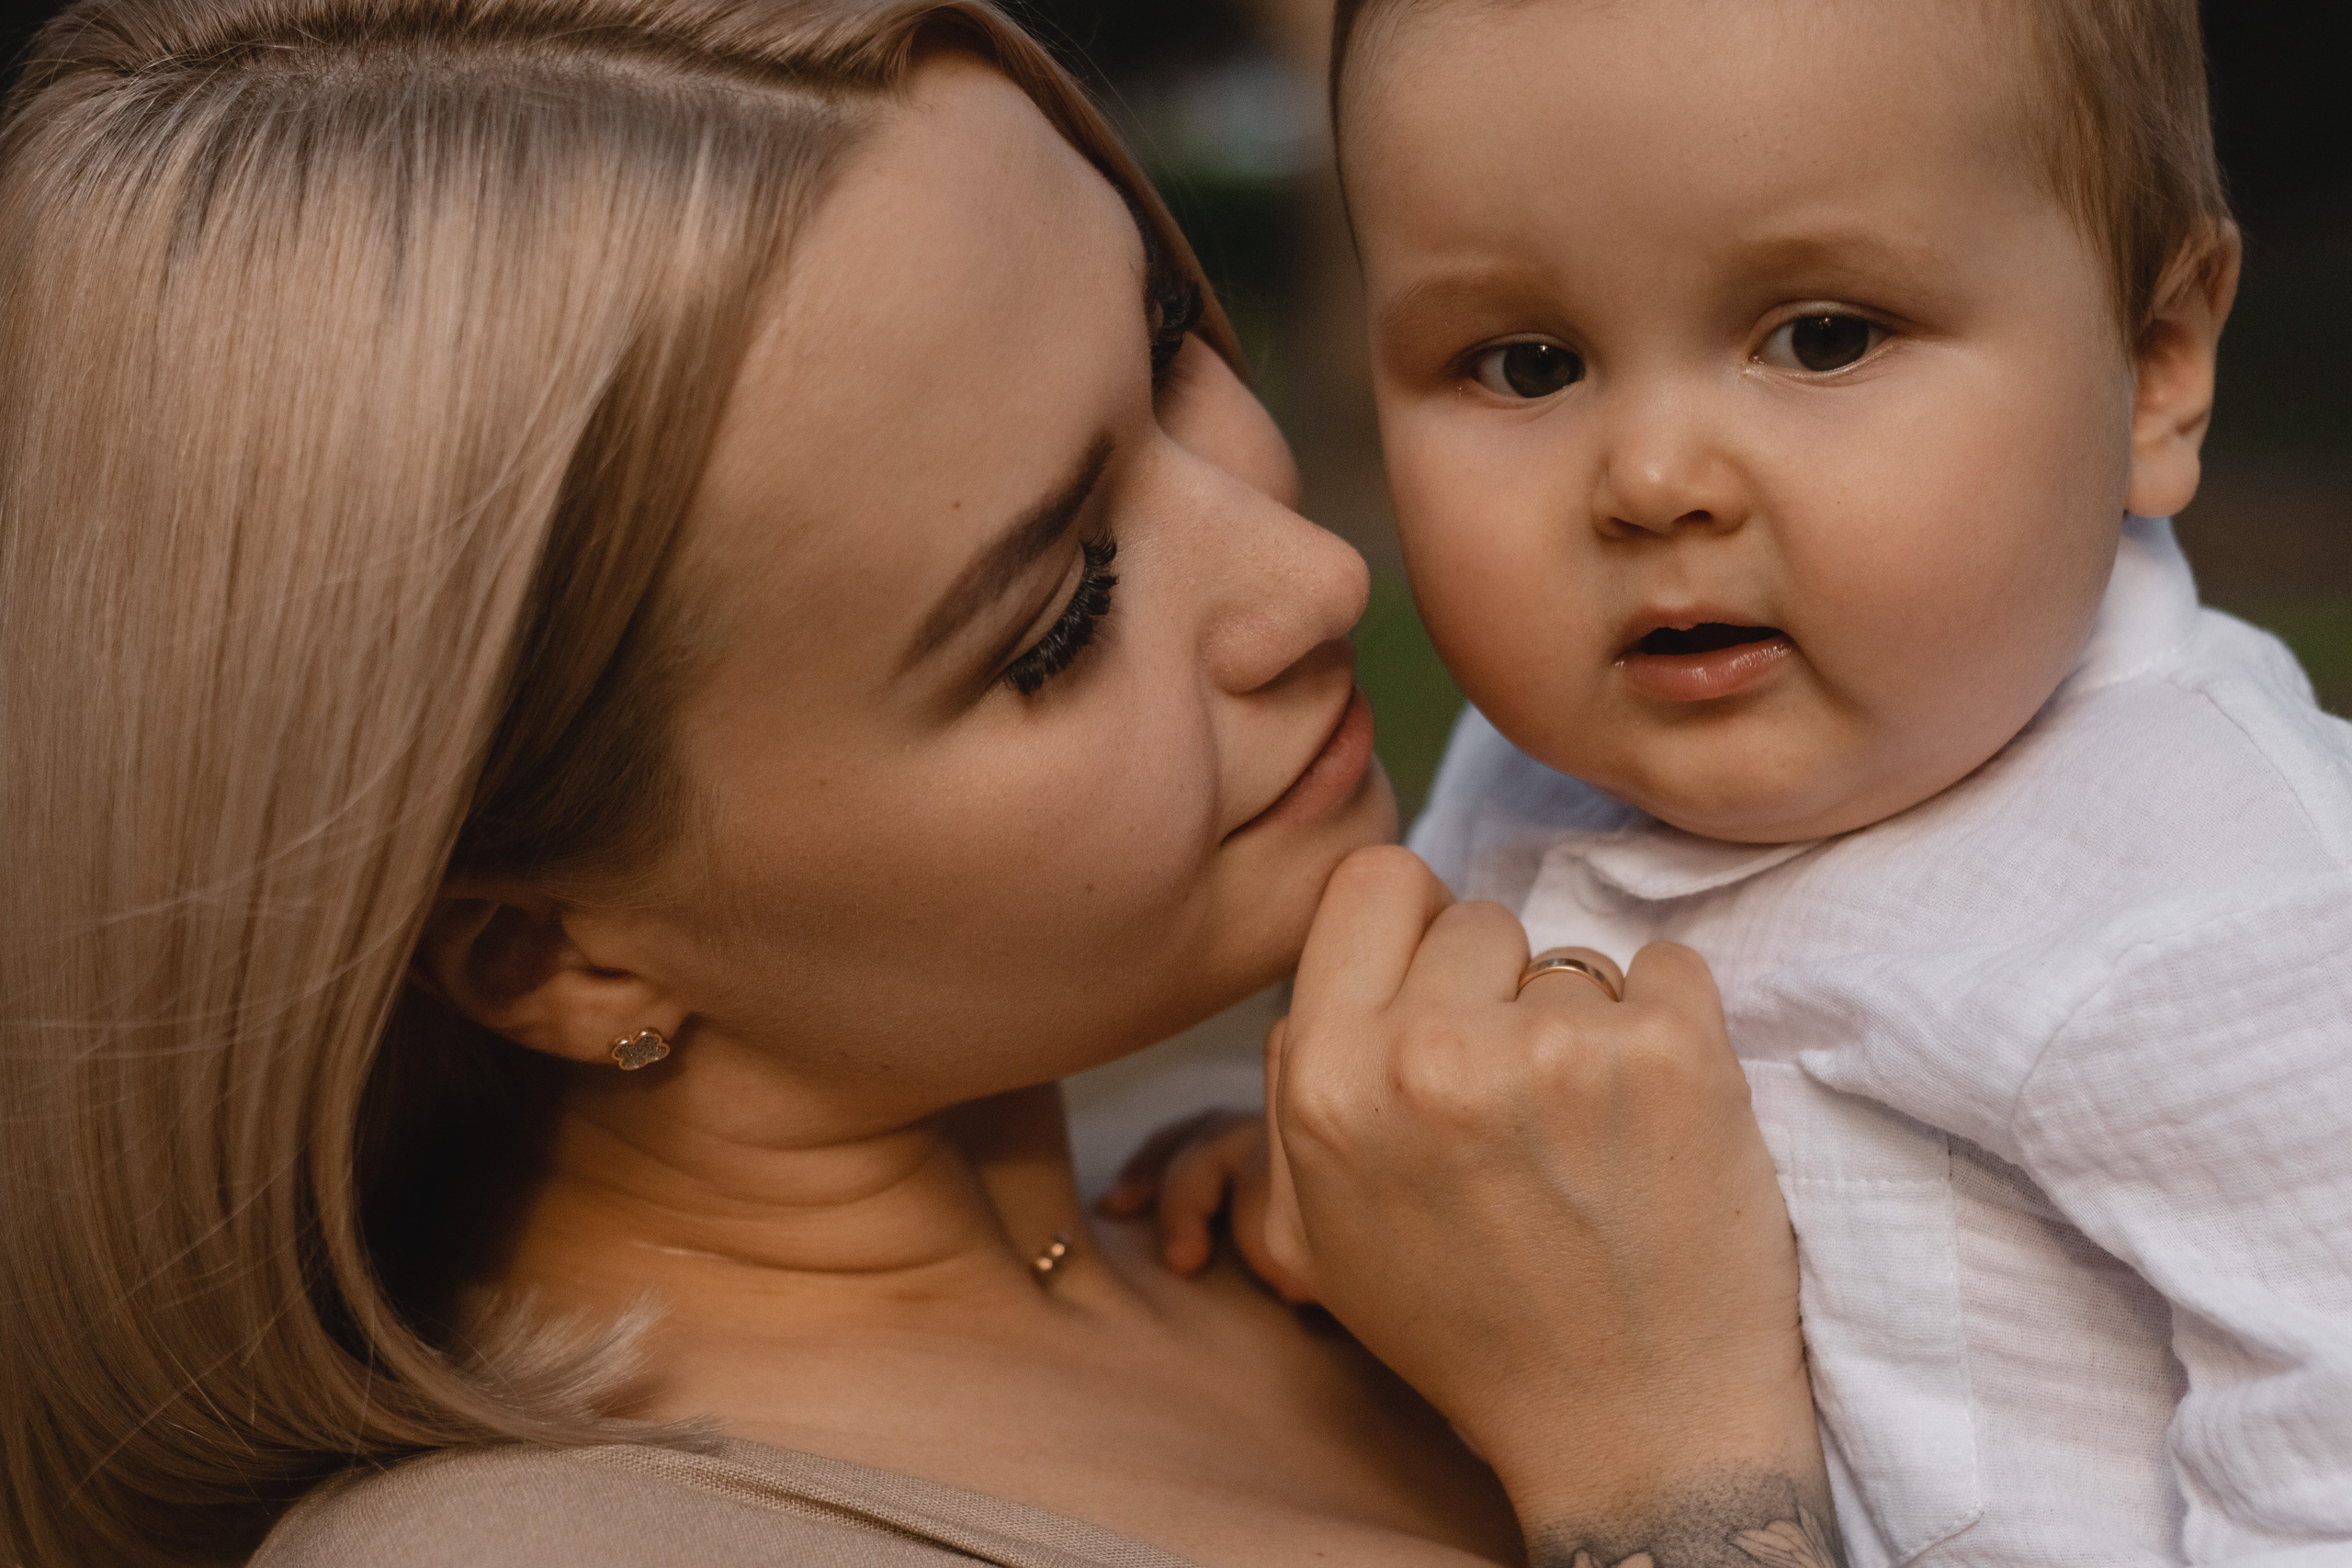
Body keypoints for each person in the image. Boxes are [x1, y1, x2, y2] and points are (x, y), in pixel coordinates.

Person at [0, 2, 1833, 1564]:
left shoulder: (1328, 1191)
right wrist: (1668, 1476)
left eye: (1171, 351)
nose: (1315, 579)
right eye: (1058, 617)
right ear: (547, 951)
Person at [1133, 0, 2352, 1561]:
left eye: (1823, 337)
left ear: (2156, 362)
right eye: (1526, 364)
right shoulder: (1541, 768)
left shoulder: (2228, 922)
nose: (1652, 480)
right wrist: (1358, 1187)